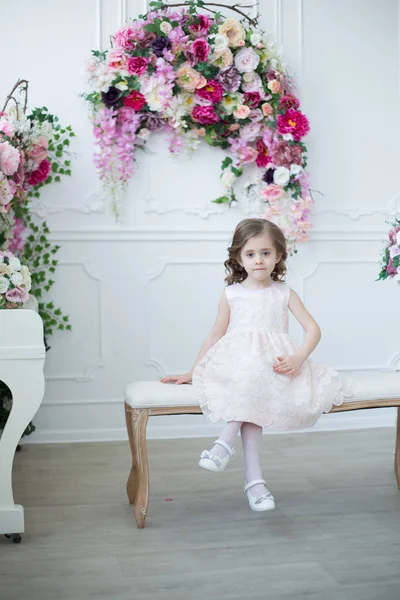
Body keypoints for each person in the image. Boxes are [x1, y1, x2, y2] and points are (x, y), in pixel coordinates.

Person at [161, 218, 353, 512]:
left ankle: (226, 448)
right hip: (236, 366)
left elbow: (313, 329)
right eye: (250, 254)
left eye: (266, 253)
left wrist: (298, 358)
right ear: (239, 258)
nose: (259, 260)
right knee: (251, 376)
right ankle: (253, 481)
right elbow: (215, 333)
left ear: (278, 256)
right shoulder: (231, 294)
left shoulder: (284, 292)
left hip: (275, 367)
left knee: (258, 375)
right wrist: (193, 371)